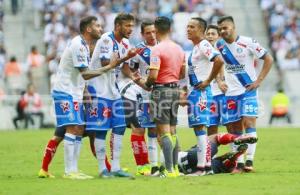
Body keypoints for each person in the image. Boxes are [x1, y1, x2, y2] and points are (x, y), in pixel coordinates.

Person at [39, 16, 119, 179]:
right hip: (65, 92)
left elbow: (80, 75)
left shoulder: (83, 45)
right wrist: (110, 66)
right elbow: (86, 74)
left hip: (74, 92)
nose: (100, 28)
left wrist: (85, 92)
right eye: (97, 26)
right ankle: (69, 171)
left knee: (79, 128)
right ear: (88, 29)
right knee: (72, 128)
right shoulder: (79, 45)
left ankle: (74, 169)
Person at [85, 13, 139, 178]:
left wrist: (136, 79)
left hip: (112, 89)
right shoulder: (106, 39)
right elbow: (105, 63)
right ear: (117, 26)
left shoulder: (125, 42)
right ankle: (103, 169)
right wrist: (126, 57)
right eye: (127, 26)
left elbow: (122, 67)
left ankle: (115, 167)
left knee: (120, 126)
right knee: (101, 130)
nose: (131, 29)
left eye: (132, 25)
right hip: (98, 89)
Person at [216, 16, 273, 172]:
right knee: (234, 130)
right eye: (220, 29)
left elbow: (268, 58)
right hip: (230, 93)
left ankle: (249, 162)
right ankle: (238, 163)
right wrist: (220, 80)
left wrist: (259, 80)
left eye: (225, 28)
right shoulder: (219, 45)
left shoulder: (248, 42)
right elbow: (216, 66)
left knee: (249, 123)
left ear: (233, 27)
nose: (222, 31)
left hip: (248, 90)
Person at [135, 16, 185, 178]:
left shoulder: (157, 50)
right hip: (175, 90)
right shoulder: (179, 48)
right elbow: (183, 73)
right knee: (173, 131)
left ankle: (169, 171)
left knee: (163, 132)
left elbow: (153, 76)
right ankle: (176, 169)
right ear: (170, 29)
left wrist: (145, 82)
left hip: (161, 91)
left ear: (156, 30)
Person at [186, 18, 224, 176]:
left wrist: (208, 80)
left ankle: (202, 167)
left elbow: (219, 60)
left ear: (201, 30)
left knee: (200, 128)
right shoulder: (195, 47)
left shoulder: (203, 44)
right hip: (195, 93)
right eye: (187, 26)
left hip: (201, 92)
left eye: (192, 27)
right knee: (200, 129)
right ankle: (206, 165)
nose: (188, 29)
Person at [127, 20, 159, 176]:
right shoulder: (138, 51)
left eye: (154, 31)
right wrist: (140, 82)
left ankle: (155, 165)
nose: (152, 35)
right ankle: (141, 165)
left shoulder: (164, 47)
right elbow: (131, 72)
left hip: (160, 96)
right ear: (142, 34)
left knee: (156, 130)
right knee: (139, 129)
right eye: (148, 32)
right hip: (142, 96)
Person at [162, 133, 258, 175]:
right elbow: (176, 145)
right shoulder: (180, 152)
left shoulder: (166, 166)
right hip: (193, 156)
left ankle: (230, 159)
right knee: (214, 139)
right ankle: (235, 138)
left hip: (190, 170)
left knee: (221, 166)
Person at [205, 24, 228, 135]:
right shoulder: (203, 51)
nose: (210, 36)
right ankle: (212, 152)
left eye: (213, 34)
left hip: (223, 93)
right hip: (210, 95)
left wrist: (220, 81)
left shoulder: (224, 50)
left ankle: (236, 151)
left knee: (231, 125)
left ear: (218, 36)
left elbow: (220, 65)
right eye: (208, 34)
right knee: (211, 127)